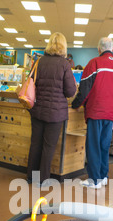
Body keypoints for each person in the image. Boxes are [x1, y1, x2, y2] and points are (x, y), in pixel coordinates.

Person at [72, 37, 113, 189]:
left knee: (93, 145)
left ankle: (94, 179)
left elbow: (84, 89)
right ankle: (103, 176)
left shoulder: (94, 63)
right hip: (111, 113)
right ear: (112, 49)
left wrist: (76, 104)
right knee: (104, 145)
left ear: (99, 49)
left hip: (96, 111)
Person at [26, 32, 77, 185]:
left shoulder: (39, 62)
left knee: (35, 143)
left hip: (37, 109)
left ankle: (30, 176)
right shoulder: (64, 65)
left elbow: (31, 83)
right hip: (55, 113)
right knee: (48, 147)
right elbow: (70, 91)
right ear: (63, 46)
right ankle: (42, 180)